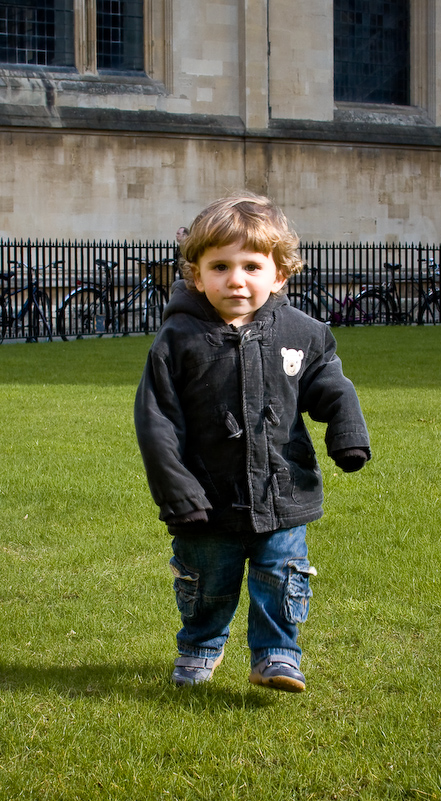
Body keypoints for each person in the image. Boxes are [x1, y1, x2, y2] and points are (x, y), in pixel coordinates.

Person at [134, 193, 370, 692]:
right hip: (206, 499)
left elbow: (331, 384)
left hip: (282, 491)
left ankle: (277, 655)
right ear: (196, 275)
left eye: (251, 266)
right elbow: (156, 420)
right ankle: (199, 648)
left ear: (279, 274)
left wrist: (347, 434)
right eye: (220, 266)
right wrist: (178, 492)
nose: (236, 280)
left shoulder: (303, 334)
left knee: (280, 576)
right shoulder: (177, 340)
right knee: (207, 584)